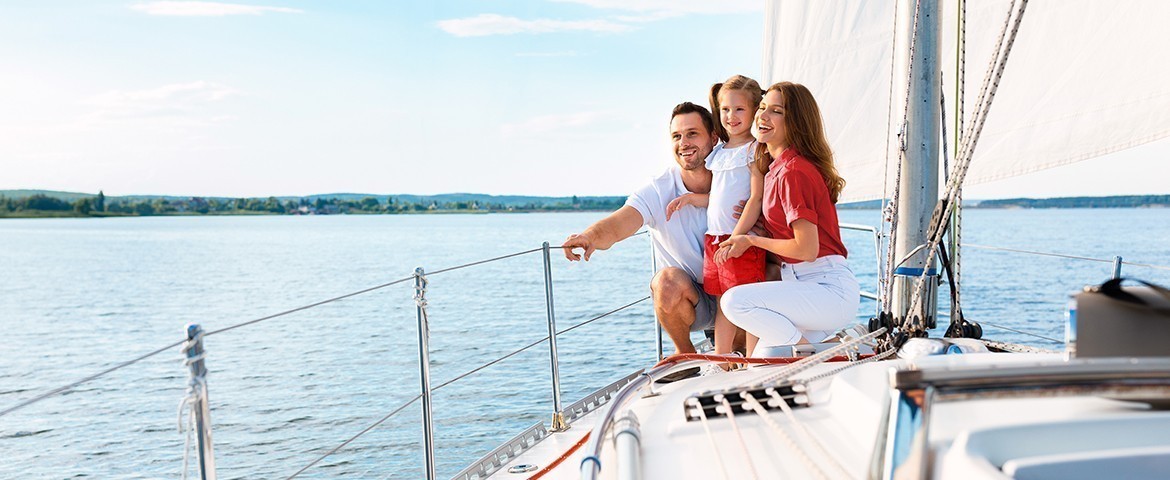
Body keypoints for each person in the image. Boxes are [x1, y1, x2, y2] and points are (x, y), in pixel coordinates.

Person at [717, 82, 860, 356]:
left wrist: (751, 240)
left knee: (734, 302)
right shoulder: (776, 169)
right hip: (804, 288)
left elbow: (806, 249)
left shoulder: (793, 172)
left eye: (776, 111)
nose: (763, 116)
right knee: (763, 359)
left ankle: (812, 352)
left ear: (795, 121)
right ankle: (832, 347)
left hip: (827, 289)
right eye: (762, 108)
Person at [562, 102, 718, 355]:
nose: (684, 143)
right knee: (665, 281)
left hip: (736, 289)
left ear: (713, 137)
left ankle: (737, 343)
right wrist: (589, 236)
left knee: (740, 352)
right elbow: (619, 223)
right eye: (676, 136)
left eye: (692, 133)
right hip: (695, 298)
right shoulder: (658, 189)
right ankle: (685, 355)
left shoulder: (733, 176)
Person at [666, 75, 766, 361]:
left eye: (739, 110)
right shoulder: (720, 152)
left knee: (746, 301)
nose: (731, 116)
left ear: (754, 111)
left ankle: (753, 358)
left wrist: (740, 236)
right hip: (715, 240)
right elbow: (720, 196)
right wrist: (691, 199)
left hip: (739, 241)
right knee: (724, 303)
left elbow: (755, 199)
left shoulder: (755, 149)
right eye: (725, 110)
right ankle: (722, 359)